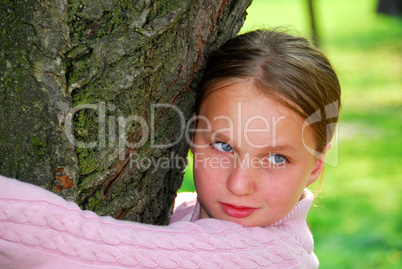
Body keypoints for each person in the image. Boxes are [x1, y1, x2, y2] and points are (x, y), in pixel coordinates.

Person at [0, 29, 341, 268]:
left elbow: (82, 249)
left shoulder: (268, 257)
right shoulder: (188, 209)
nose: (239, 184)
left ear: (314, 167)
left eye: (276, 158)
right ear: (192, 135)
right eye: (223, 146)